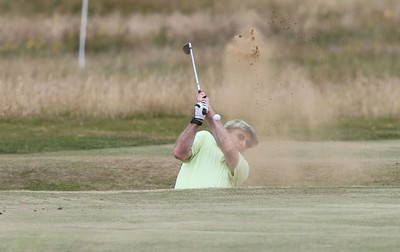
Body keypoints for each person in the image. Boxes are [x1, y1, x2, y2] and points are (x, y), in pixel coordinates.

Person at [173, 91, 258, 189]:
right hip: (182, 203)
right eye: (241, 137)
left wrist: (209, 113)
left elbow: (229, 150)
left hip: (213, 204)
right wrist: (197, 120)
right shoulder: (205, 137)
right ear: (226, 131)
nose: (243, 144)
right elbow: (179, 153)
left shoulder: (243, 166)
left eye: (247, 144)